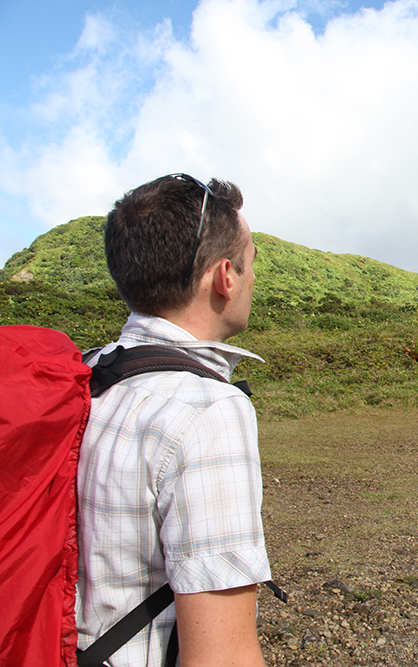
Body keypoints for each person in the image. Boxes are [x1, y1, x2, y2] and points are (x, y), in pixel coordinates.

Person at [76, 174, 270, 666]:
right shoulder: (207, 410)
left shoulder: (86, 372)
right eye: (250, 266)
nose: (252, 279)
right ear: (226, 277)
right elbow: (220, 658)